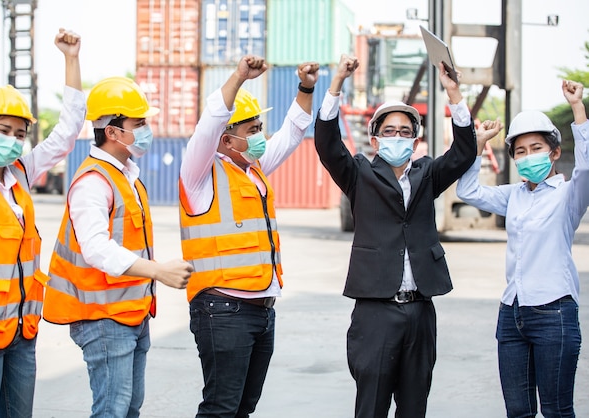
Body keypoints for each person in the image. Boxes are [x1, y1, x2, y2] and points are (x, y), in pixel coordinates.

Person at [314, 54, 478, 418]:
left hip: (420, 311)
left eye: (406, 131)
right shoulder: (359, 175)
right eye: (389, 131)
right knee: (371, 406)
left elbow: (465, 152)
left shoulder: (427, 175)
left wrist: (454, 93)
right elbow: (327, 145)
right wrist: (336, 83)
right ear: (374, 139)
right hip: (376, 312)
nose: (398, 137)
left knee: (414, 406)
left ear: (416, 140)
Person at [42, 76, 194, 417]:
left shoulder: (127, 175)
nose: (145, 129)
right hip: (102, 318)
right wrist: (159, 272)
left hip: (130, 314)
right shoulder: (93, 182)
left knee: (128, 409)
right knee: (112, 410)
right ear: (112, 131)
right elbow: (96, 248)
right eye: (138, 123)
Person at [179, 55, 319, 418]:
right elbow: (209, 124)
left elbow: (292, 132)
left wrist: (306, 88)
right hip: (223, 309)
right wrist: (240, 77)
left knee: (243, 408)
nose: (260, 136)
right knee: (221, 408)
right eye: (252, 130)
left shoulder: (253, 170)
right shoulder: (200, 174)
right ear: (227, 140)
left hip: (261, 310)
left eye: (260, 127)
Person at [0, 19, 85, 417]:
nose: (13, 140)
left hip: (21, 332)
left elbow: (67, 133)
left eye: (19, 133)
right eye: (3, 130)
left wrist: (71, 60)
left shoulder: (20, 174)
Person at [457, 80, 587, 417]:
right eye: (521, 151)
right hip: (511, 312)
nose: (529, 156)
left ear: (554, 153)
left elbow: (587, 168)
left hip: (554, 313)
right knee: (518, 411)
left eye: (537, 148)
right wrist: (479, 143)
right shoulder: (513, 195)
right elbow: (469, 191)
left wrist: (577, 108)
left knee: (557, 410)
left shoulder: (568, 195)